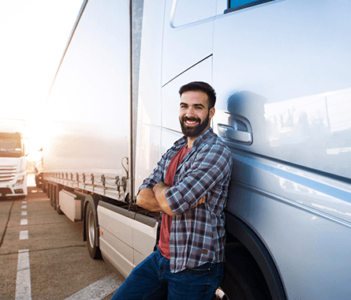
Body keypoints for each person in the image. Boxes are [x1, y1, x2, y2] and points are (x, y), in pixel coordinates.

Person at [111, 81, 233, 300]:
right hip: (161, 257)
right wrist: (166, 191)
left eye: (198, 107)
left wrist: (163, 192)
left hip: (194, 267)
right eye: (184, 106)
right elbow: (141, 196)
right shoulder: (176, 148)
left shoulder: (216, 152)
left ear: (211, 112)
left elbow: (173, 204)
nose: (189, 113)